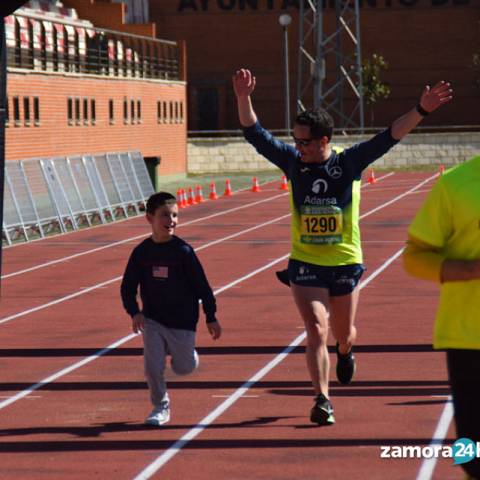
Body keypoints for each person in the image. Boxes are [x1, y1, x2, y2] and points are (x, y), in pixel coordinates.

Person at [232, 68, 452, 426]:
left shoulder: (348, 163)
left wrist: (421, 110)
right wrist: (243, 97)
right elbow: (254, 133)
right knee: (316, 328)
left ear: (324, 140)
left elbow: (390, 135)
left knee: (342, 334)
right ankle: (322, 399)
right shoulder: (292, 163)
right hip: (305, 262)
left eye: (304, 142)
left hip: (345, 262)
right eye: (296, 140)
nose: (297, 147)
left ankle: (346, 352)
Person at [403, 156, 480, 480]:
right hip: (468, 337)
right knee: (474, 459)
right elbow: (415, 257)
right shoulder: (455, 184)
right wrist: (473, 270)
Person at [120, 192, 222, 426]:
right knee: (152, 366)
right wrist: (134, 312)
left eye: (175, 215)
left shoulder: (183, 252)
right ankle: (160, 406)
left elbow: (202, 286)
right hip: (153, 320)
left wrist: (211, 316)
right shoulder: (141, 252)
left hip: (182, 321)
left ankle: (187, 356)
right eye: (165, 215)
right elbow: (127, 287)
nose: (172, 220)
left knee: (184, 368)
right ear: (149, 219)